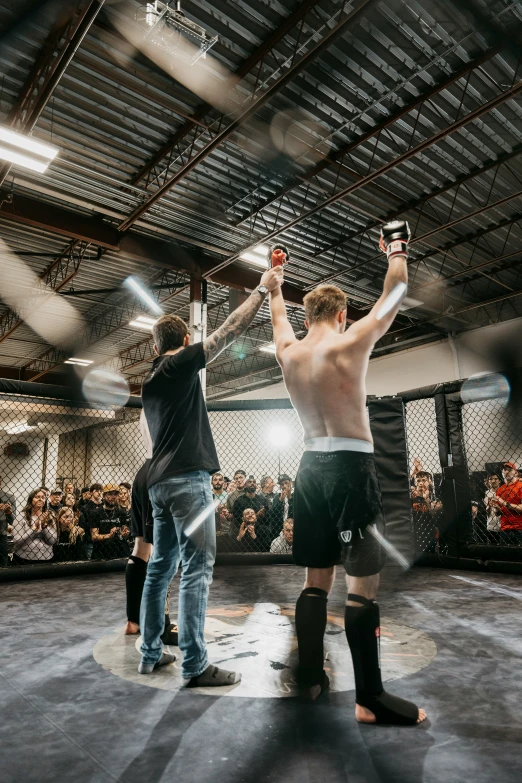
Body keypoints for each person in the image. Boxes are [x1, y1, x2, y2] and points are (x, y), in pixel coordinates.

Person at [269, 229, 426, 724]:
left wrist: (274, 283)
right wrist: (395, 248)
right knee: (363, 586)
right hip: (352, 470)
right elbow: (395, 292)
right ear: (341, 315)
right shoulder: (353, 340)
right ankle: (370, 699)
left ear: (307, 314)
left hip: (310, 468)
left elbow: (275, 309)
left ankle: (311, 678)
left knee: (318, 579)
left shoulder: (288, 352)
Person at [139, 262, 283, 681]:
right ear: (184, 341)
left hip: (158, 483)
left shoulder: (149, 379)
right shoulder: (177, 364)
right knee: (196, 569)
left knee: (160, 568)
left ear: (153, 347)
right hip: (187, 479)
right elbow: (230, 331)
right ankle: (195, 663)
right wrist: (262, 287)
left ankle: (150, 652)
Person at [126, 412, 178, 645]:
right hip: (162, 471)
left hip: (144, 471)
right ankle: (161, 626)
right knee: (164, 551)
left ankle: (134, 620)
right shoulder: (171, 390)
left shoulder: (149, 395)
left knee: (141, 548)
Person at [12, 488, 57, 563]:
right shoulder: (21, 517)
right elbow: (16, 543)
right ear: (30, 499)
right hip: (24, 559)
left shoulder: (50, 516)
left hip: (46, 559)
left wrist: (44, 527)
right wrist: (34, 529)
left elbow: (52, 541)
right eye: (37, 497)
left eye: (43, 497)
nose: (40, 499)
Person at [89, 484, 131, 560]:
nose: (113, 497)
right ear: (104, 496)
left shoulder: (121, 513)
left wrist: (125, 533)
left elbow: (124, 529)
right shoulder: (96, 513)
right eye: (110, 494)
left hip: (119, 552)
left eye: (115, 494)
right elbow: (94, 537)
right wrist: (109, 535)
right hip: (101, 552)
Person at [491, 461, 522, 545]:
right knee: (505, 556)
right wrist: (497, 509)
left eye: (509, 470)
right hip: (504, 529)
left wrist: (504, 503)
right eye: (504, 470)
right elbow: (498, 513)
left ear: (515, 472)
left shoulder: (520, 486)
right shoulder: (500, 490)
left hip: (519, 528)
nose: (505, 472)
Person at [231, 477, 268, 544]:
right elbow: (236, 519)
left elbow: (267, 519)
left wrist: (263, 515)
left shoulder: (263, 500)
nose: (252, 483)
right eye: (249, 482)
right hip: (243, 532)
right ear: (245, 485)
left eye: (254, 482)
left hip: (260, 532)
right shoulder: (239, 501)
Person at [269, 474, 294, 539]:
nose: (284, 486)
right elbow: (273, 513)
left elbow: (296, 512)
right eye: (282, 484)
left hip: (293, 529)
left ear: (290, 482)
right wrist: (280, 500)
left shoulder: (296, 495)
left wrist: (290, 498)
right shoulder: (277, 497)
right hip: (279, 528)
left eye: (286, 483)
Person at [0, 474, 16, 567]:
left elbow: (13, 521)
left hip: (2, 536)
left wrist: (8, 513)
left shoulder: (9, 497)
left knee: (3, 566)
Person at [484, 473, 502, 542]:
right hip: (491, 525)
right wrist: (489, 505)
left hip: (503, 525)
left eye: (495, 479)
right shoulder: (486, 493)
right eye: (491, 479)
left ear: (499, 481)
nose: (493, 481)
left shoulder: (504, 491)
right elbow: (486, 510)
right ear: (488, 481)